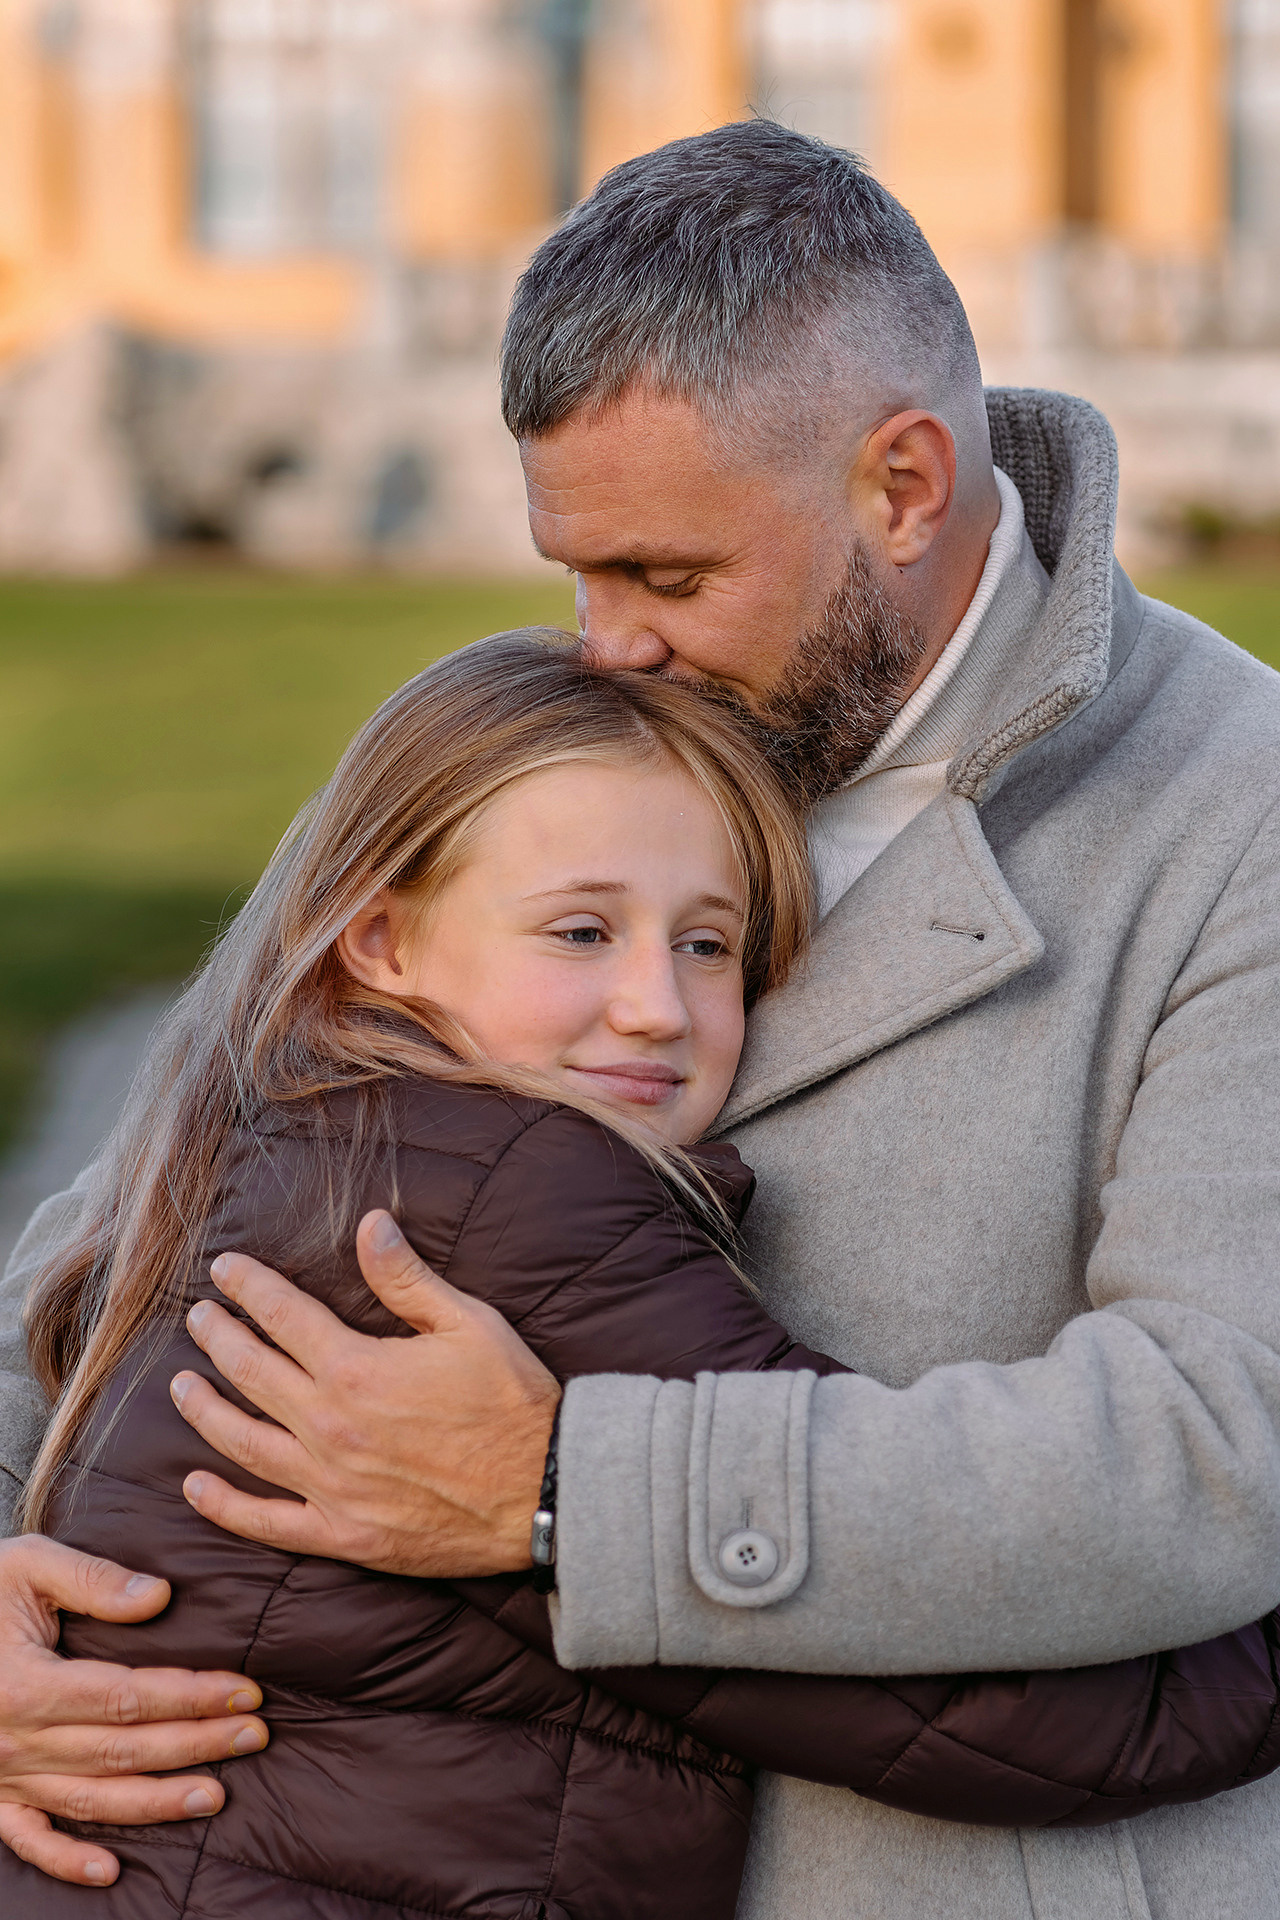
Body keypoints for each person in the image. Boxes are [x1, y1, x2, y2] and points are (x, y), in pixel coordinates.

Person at [2, 120, 1280, 1919]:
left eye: (667, 578)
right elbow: (107, 1265)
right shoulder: (527, 754)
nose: (603, 645)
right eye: (574, 570)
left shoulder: (1241, 811)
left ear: (902, 486)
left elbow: (1220, 1443)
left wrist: (563, 1494)